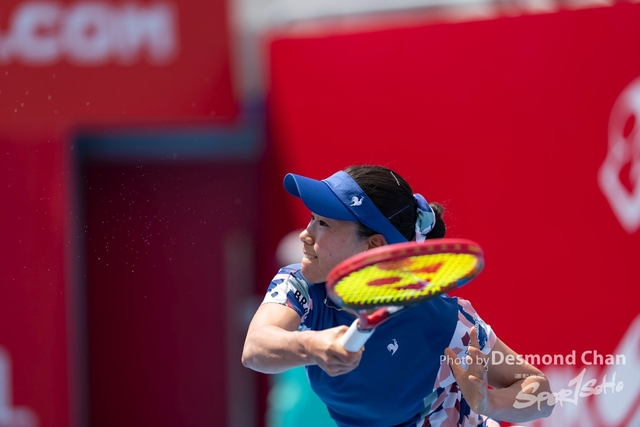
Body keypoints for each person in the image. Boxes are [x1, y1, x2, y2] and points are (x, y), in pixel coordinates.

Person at [242, 165, 554, 427]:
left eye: (323, 223)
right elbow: (256, 346)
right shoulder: (301, 288)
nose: (305, 234)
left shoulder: (445, 321)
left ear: (373, 246)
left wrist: (489, 402)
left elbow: (542, 395)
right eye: (312, 218)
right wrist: (312, 345)